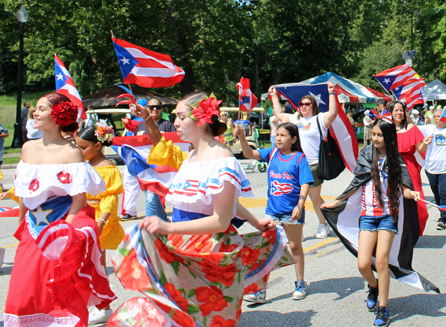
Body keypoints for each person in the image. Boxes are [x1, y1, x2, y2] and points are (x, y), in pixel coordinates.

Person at [108, 92, 294, 326]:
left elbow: (220, 220)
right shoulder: (191, 155)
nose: (175, 122)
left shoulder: (222, 159)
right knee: (176, 311)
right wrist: (256, 222)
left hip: (209, 248)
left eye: (180, 116)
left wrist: (167, 226)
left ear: (202, 120)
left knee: (202, 316)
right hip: (182, 243)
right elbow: (220, 200)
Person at [4, 93, 115, 326]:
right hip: (32, 228)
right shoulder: (27, 148)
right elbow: (24, 193)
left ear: (57, 116)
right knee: (23, 289)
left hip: (59, 228)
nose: (35, 112)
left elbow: (78, 199)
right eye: (35, 108)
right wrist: (22, 228)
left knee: (54, 286)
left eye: (41, 109)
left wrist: (66, 232)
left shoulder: (71, 152)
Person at [322, 118, 421, 327]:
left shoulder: (396, 158)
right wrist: (336, 202)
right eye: (373, 134)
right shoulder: (366, 155)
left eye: (380, 135)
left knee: (382, 262)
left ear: (388, 136)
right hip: (367, 216)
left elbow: (404, 185)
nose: (375, 138)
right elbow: (356, 182)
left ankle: (383, 309)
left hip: (388, 216)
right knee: (363, 263)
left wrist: (410, 192)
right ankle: (373, 286)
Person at [235, 122, 313, 302]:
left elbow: (305, 183)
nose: (278, 138)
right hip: (272, 211)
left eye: (283, 135)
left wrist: (300, 205)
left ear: (293, 139)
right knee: (266, 249)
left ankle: (300, 282)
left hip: (291, 212)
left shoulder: (299, 158)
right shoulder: (271, 153)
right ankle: (259, 290)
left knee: (294, 247)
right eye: (277, 134)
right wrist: (240, 137)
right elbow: (248, 154)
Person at [269, 82, 338, 239]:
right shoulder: (294, 119)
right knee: (294, 198)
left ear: (313, 106)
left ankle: (324, 224)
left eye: (307, 104)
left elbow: (333, 113)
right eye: (301, 104)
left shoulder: (319, 119)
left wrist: (332, 93)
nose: (304, 106)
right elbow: (279, 114)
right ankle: (293, 229)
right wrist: (274, 96)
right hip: (296, 166)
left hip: (313, 165)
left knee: (314, 199)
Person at [75, 124, 125, 325]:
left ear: (98, 145)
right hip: (81, 216)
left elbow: (110, 199)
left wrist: (101, 222)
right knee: (80, 263)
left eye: (83, 147)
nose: (80, 151)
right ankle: (84, 303)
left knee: (96, 265)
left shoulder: (108, 168)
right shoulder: (83, 166)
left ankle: (104, 307)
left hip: (97, 219)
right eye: (77, 147)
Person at [388, 101, 429, 235]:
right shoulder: (386, 127)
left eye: (401, 110)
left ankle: (412, 231)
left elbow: (420, 148)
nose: (399, 113)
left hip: (408, 165)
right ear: (391, 112)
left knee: (415, 198)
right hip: (390, 165)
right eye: (396, 110)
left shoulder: (411, 128)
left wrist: (425, 143)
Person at [135, 97, 176, 221]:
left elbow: (174, 144)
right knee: (151, 195)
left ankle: (150, 227)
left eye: (157, 107)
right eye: (151, 107)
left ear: (161, 109)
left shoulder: (167, 125)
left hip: (162, 168)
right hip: (145, 167)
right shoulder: (140, 126)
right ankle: (163, 219)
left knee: (152, 197)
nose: (154, 109)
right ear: (146, 108)